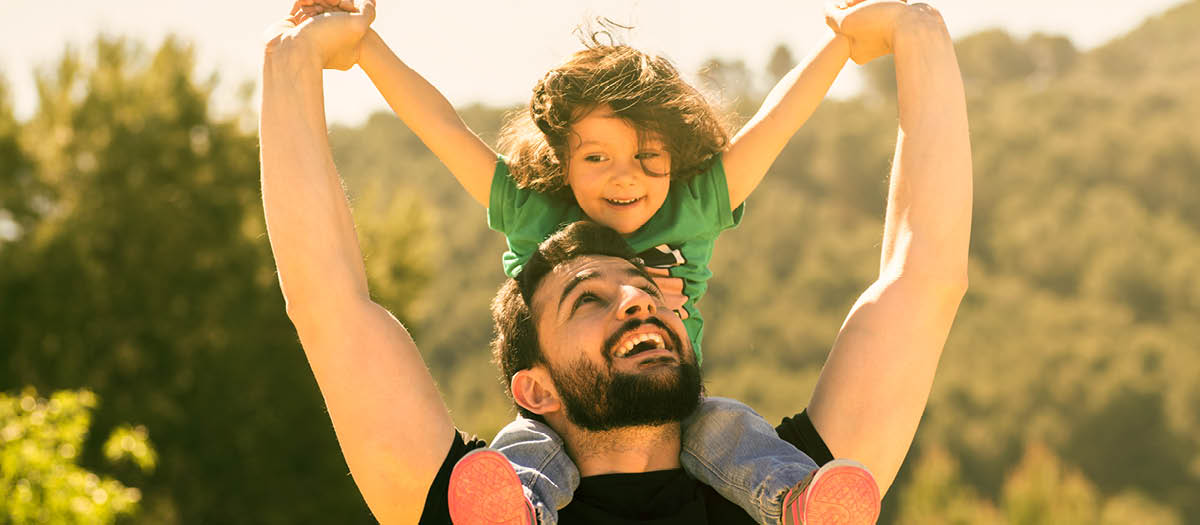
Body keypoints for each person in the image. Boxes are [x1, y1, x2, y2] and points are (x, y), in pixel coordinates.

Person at [259, 0, 971, 522]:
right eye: (586, 298)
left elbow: (924, 279)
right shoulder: (475, 502)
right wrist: (292, 63)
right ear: (531, 386)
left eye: (649, 291)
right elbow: (330, 305)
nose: (638, 298)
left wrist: (916, 31)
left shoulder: (796, 498)